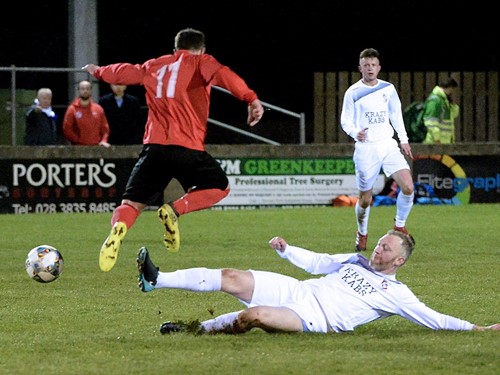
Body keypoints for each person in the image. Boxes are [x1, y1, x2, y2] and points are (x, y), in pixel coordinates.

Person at [83, 27, 264, 272]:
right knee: (220, 187)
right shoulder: (202, 62)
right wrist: (251, 99)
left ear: (175, 48)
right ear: (201, 49)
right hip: (188, 148)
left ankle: (118, 230)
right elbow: (225, 75)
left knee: (132, 203)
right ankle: (175, 209)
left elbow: (126, 72)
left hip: (154, 148)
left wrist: (98, 71)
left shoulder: (155, 65)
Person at [135, 231, 500, 335]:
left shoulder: (397, 294)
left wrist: (478, 328)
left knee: (255, 316)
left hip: (314, 319)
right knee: (233, 277)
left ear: (399, 261)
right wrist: (287, 250)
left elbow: (431, 317)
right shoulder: (355, 259)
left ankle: (196, 329)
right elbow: (317, 264)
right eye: (379, 242)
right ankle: (158, 279)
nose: (378, 248)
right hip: (299, 289)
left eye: (386, 247)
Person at [340, 48, 414, 252]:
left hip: (388, 145)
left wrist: (404, 140)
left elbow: (396, 115)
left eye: (373, 65)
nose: (370, 68)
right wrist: (356, 132)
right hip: (366, 149)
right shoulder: (353, 92)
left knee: (408, 186)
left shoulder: (388, 88)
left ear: (379, 67)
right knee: (365, 199)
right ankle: (362, 232)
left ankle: (399, 225)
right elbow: (345, 120)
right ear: (360, 68)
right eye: (366, 65)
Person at [62, 80, 111, 147]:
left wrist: (103, 140)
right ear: (79, 91)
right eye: (83, 89)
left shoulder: (98, 109)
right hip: (78, 148)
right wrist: (77, 140)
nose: (85, 91)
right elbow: (67, 129)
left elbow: (105, 128)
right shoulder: (72, 109)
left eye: (88, 89)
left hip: (97, 147)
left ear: (91, 91)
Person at [422, 77, 459, 144]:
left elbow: (454, 114)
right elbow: (430, 122)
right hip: (435, 143)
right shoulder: (435, 100)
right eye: (452, 89)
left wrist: (452, 104)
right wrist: (437, 139)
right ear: (450, 88)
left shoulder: (444, 100)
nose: (452, 92)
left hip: (444, 142)